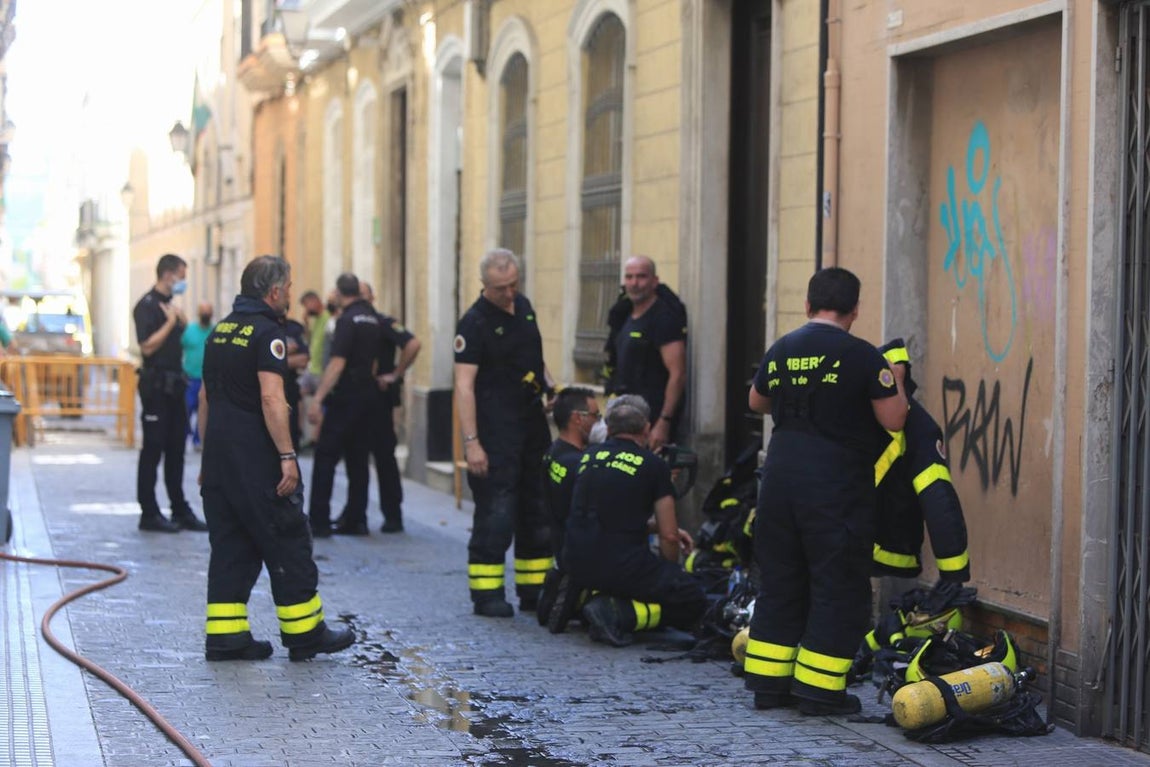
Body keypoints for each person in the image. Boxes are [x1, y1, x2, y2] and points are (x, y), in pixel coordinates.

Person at [742, 267, 907, 716]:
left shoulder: (782, 349)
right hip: (833, 488)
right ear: (854, 310)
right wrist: (898, 379)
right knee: (838, 585)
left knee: (781, 579)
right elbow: (894, 420)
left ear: (808, 306)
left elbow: (756, 402)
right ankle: (818, 690)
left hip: (779, 482)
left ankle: (768, 686)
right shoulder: (864, 357)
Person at [198, 255, 355, 662]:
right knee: (287, 539)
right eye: (287, 287)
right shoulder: (268, 334)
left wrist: (204, 457)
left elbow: (205, 398)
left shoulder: (220, 331)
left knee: (231, 546)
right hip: (257, 461)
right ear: (273, 292)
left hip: (219, 461)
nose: (289, 293)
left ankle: (226, 637)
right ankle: (306, 634)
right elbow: (272, 397)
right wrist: (288, 455)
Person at [454, 248, 555, 617]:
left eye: (513, 285)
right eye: (501, 288)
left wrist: (551, 388)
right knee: (497, 514)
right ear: (485, 285)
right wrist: (472, 443)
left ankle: (534, 589)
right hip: (495, 431)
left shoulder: (524, 306)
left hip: (531, 425)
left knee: (537, 509)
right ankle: (487, 593)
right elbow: (464, 385)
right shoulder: (474, 323)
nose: (509, 294)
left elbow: (535, 357)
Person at [562, 395, 706, 647]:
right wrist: (670, 574)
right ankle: (616, 613)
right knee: (692, 597)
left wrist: (651, 526)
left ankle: (594, 601)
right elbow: (669, 537)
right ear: (647, 429)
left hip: (574, 561)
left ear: (608, 429)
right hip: (619, 565)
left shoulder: (587, 457)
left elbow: (610, 513)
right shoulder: (653, 466)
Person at [871, 339, 970, 583]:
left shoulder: (831, 407)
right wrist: (953, 578)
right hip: (871, 545)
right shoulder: (918, 426)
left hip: (804, 536)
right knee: (847, 614)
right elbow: (939, 499)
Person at [132, 253, 208, 533]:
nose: (184, 282)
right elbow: (147, 347)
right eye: (182, 276)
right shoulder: (147, 306)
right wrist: (169, 323)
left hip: (176, 384)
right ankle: (149, 512)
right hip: (155, 386)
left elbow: (184, 333)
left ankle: (179, 508)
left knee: (177, 448)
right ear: (168, 275)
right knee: (153, 448)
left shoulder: (170, 306)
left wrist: (179, 319)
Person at [307, 273, 382, 537]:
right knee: (358, 460)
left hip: (347, 395)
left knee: (326, 455)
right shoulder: (372, 319)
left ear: (339, 293)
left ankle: (319, 520)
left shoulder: (346, 321)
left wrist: (318, 399)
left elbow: (337, 363)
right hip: (368, 396)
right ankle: (357, 519)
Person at [603, 256, 688, 452]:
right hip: (624, 418)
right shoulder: (624, 315)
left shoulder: (664, 319)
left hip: (651, 421)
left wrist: (663, 422)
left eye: (641, 277)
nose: (634, 283)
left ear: (654, 281)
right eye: (629, 277)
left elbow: (678, 374)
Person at [536, 387, 600, 630]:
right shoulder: (578, 465)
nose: (597, 422)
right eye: (595, 416)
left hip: (562, 548)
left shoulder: (554, 453)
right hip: (578, 555)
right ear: (578, 418)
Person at [361, 281, 421, 533]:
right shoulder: (347, 322)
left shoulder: (383, 323)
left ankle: (393, 515)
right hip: (358, 399)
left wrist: (396, 374)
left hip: (379, 399)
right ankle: (356, 516)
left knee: (384, 458)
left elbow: (413, 343)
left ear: (372, 297)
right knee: (358, 460)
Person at [181, 302, 214, 450]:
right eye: (203, 311)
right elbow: (179, 348)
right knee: (186, 410)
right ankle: (182, 437)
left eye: (208, 311)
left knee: (205, 411)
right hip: (190, 378)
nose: (206, 314)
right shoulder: (189, 331)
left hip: (207, 379)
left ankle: (198, 440)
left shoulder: (215, 331)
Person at [282, 317, 309, 452]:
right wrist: (286, 353)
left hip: (290, 389)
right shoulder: (260, 326)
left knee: (291, 439)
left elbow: (303, 360)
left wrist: (276, 357)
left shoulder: (294, 328)